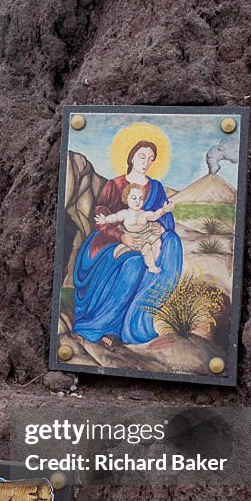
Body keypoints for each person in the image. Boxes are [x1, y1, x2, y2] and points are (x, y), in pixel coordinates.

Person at [72, 140, 183, 347]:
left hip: (145, 236)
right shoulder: (114, 185)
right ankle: (105, 327)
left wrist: (163, 228)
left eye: (151, 159)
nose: (146, 162)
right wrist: (121, 236)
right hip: (111, 240)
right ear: (132, 157)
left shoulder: (156, 187)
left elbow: (164, 217)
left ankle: (138, 321)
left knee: (173, 244)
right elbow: (100, 218)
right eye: (142, 156)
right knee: (134, 262)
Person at [94, 183, 173, 274]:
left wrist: (164, 210)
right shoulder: (125, 213)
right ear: (126, 199)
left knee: (156, 244)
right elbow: (115, 217)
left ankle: (151, 264)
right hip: (133, 237)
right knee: (144, 249)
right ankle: (149, 264)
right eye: (134, 198)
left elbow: (155, 216)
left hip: (146, 234)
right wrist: (104, 220)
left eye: (141, 199)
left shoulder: (144, 213)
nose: (137, 201)